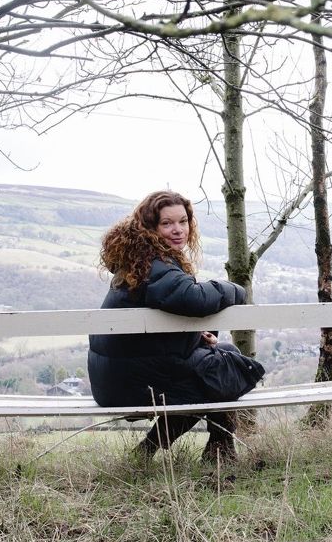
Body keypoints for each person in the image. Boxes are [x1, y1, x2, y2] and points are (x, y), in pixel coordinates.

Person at [87, 190, 248, 462]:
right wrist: (235, 290)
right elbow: (193, 298)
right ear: (150, 227)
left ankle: (209, 447)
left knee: (222, 355)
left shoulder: (138, 261)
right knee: (221, 368)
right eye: (167, 223)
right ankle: (217, 448)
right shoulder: (154, 264)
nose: (178, 230)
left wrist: (196, 338)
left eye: (183, 221)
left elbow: (151, 336)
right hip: (130, 384)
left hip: (117, 378)